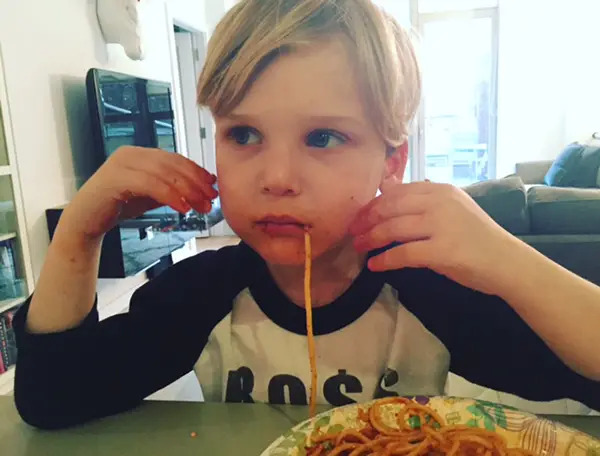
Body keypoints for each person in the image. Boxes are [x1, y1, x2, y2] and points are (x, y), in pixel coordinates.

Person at [14, 0, 600, 430]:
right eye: (243, 133)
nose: (277, 177)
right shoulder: (202, 292)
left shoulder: (426, 288)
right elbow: (52, 397)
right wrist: (81, 228)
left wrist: (506, 258)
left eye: (323, 136)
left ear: (390, 161)